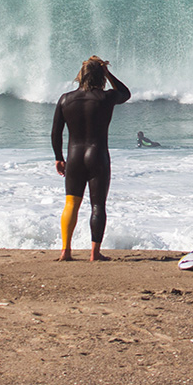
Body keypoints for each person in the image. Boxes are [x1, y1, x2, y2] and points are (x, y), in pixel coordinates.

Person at [51, 56, 131, 261]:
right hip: (98, 156)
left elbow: (56, 133)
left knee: (71, 204)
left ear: (81, 74)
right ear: (100, 76)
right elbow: (126, 93)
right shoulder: (106, 98)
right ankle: (95, 253)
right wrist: (108, 73)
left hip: (74, 157)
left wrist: (59, 157)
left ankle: (65, 251)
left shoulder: (65, 99)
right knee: (98, 206)